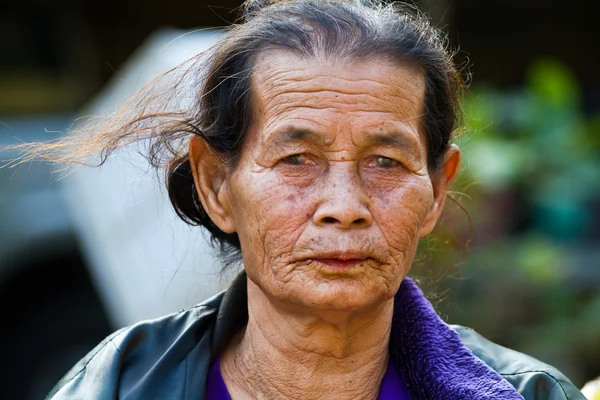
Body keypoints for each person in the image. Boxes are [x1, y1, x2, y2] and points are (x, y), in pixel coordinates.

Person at [14, 0, 584, 399]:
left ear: (436, 189)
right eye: (296, 160)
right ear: (216, 185)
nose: (344, 205)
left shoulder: (526, 394)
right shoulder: (116, 387)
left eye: (385, 162)